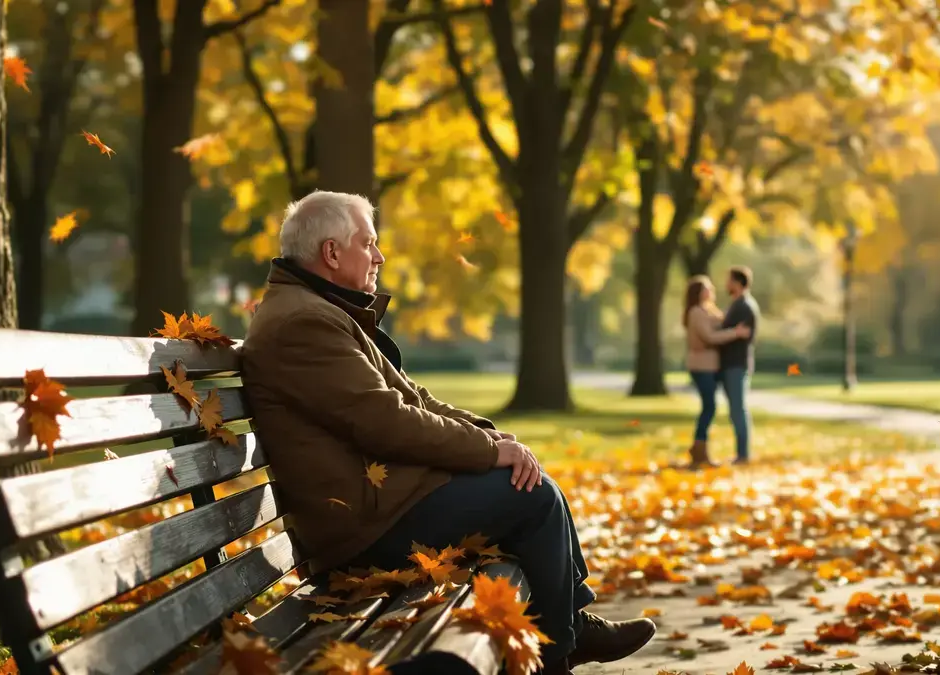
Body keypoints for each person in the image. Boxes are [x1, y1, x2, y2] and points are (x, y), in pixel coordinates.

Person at [240, 190, 656, 675]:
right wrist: (489, 453)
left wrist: (492, 438)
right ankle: (560, 652)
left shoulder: (318, 309)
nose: (379, 256)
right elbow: (388, 423)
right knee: (533, 497)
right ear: (331, 253)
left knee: (530, 485)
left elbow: (414, 399)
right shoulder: (305, 322)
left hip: (382, 503)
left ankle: (570, 631)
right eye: (368, 243)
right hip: (363, 529)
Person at [682, 275, 751, 468]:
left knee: (710, 406)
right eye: (707, 288)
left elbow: (722, 322)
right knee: (709, 406)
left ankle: (700, 448)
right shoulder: (696, 312)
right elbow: (710, 337)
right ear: (698, 292)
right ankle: (699, 448)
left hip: (712, 367)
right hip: (701, 366)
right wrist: (736, 333)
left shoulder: (709, 310)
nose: (711, 290)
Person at [717, 265, 761, 465]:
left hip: (736, 364)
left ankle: (743, 454)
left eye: (729, 280)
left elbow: (740, 334)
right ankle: (741, 453)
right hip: (730, 364)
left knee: (738, 409)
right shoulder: (737, 304)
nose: (726, 284)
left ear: (737, 282)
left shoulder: (744, 306)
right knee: (735, 410)